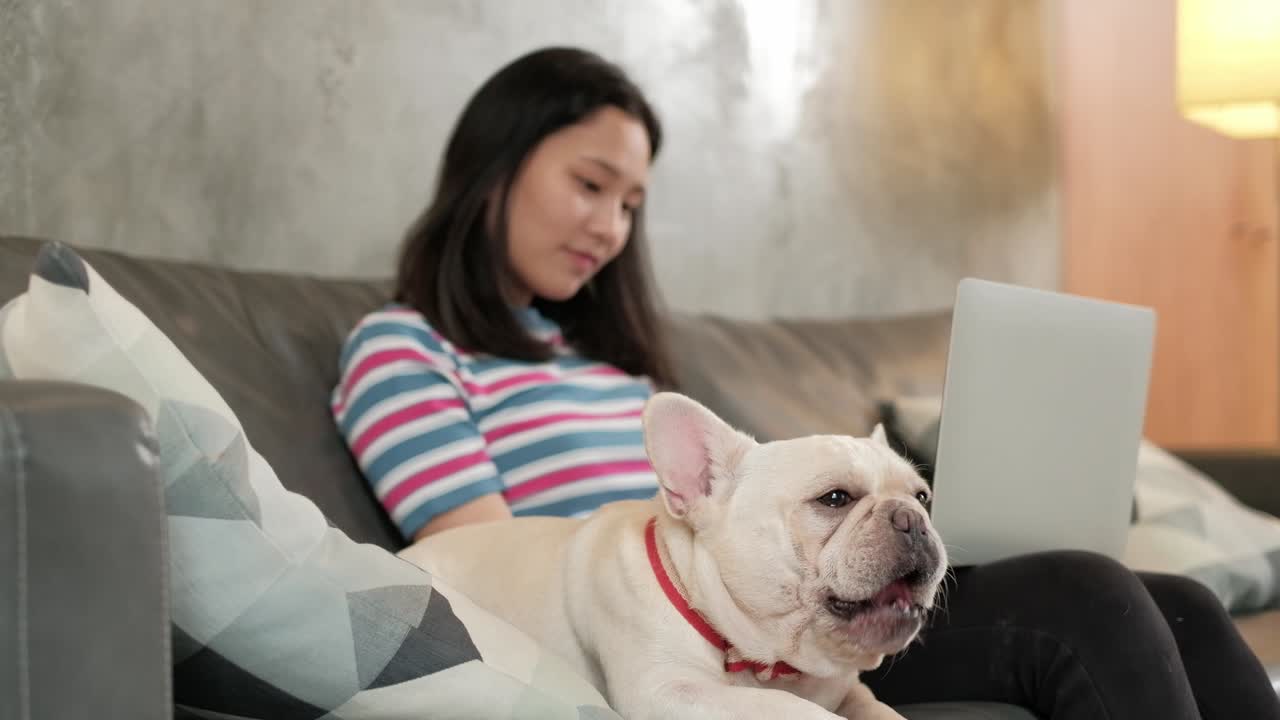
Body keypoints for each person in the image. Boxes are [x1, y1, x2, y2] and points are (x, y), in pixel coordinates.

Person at [332, 46, 1279, 719]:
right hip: (696, 628)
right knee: (1084, 597)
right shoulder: (405, 350)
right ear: (493, 169)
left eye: (631, 204)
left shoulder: (616, 367)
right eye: (590, 184)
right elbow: (487, 575)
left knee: (1183, 603)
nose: (612, 227)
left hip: (787, 609)